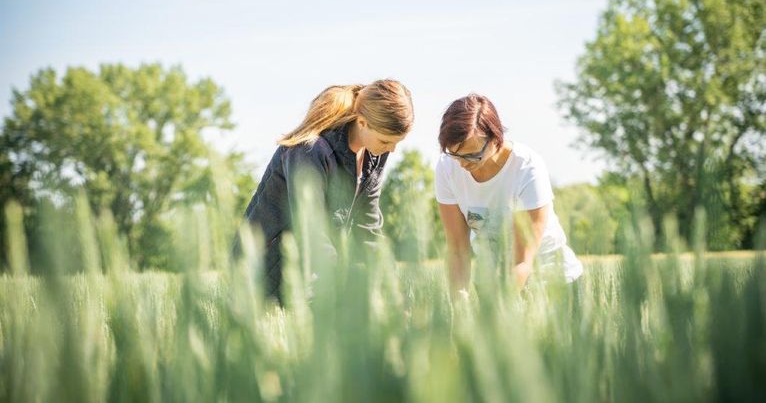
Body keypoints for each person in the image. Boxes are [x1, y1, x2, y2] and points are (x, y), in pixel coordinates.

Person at [232, 79, 414, 302]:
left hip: (312, 268)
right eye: (386, 141)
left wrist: (390, 293)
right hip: (263, 271)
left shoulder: (374, 154)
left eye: (396, 143)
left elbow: (367, 229)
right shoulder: (309, 150)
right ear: (362, 122)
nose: (392, 150)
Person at [434, 94, 582, 298]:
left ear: (495, 139)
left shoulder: (527, 168)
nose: (463, 164)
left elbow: (521, 262)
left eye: (471, 155)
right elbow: (458, 249)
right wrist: (459, 305)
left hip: (553, 286)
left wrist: (498, 316)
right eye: (454, 154)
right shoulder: (447, 168)